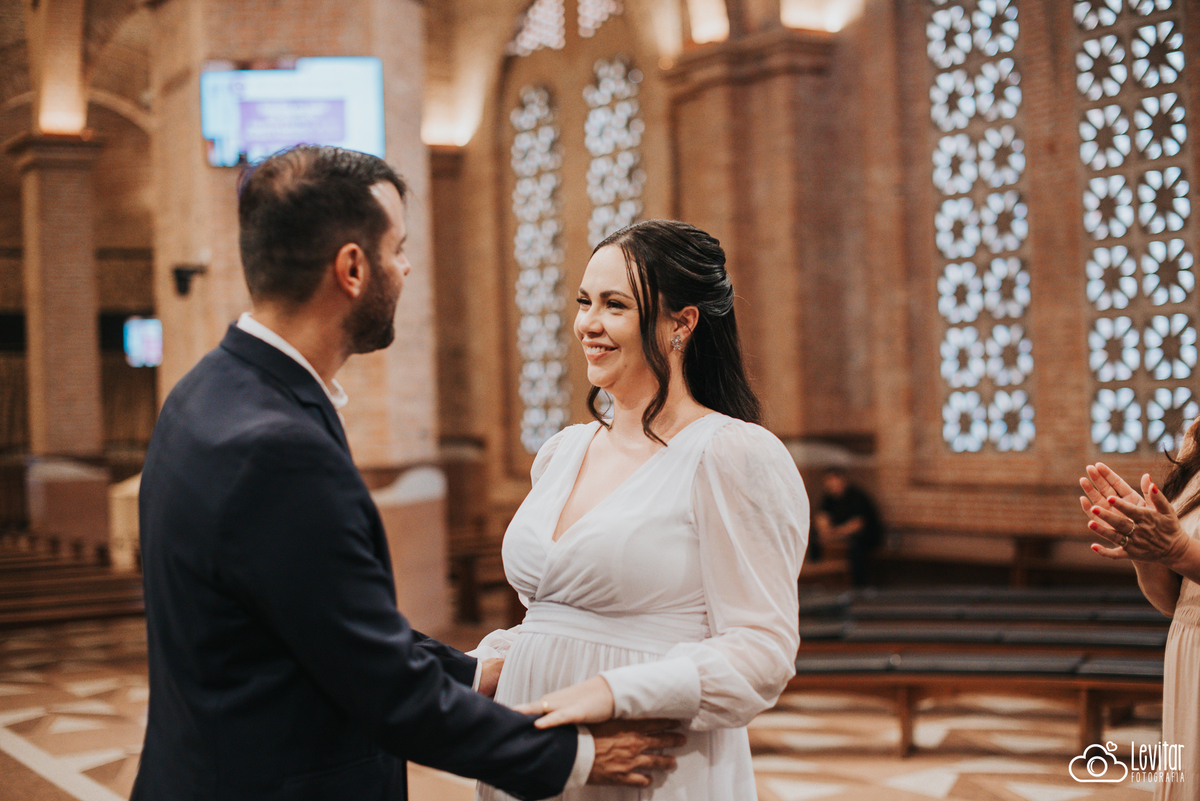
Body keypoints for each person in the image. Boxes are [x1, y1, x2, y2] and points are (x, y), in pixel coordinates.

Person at [132, 145, 682, 801]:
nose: (407, 266)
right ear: (352, 268)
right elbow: (386, 691)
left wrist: (475, 670)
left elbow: (331, 627)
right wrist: (572, 754)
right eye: (398, 248)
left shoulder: (207, 392)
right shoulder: (278, 449)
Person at [472, 219, 809, 800]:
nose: (588, 323)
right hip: (535, 751)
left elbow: (762, 652)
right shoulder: (562, 452)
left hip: (648, 755)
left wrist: (611, 691)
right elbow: (551, 620)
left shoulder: (730, 454)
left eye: (615, 305)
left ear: (682, 323)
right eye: (584, 302)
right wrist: (478, 666)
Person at [1081, 417, 1200, 800]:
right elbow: (1174, 602)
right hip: (1190, 651)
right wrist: (1146, 551)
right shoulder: (1198, 439)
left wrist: (1181, 551)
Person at [813, 467, 883, 587]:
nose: (829, 484)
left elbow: (857, 524)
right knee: (814, 538)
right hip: (840, 536)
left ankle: (858, 586)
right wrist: (824, 530)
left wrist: (835, 532)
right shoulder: (829, 498)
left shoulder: (856, 496)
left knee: (855, 545)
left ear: (842, 479)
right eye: (827, 481)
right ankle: (817, 579)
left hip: (866, 537)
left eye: (831, 480)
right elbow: (821, 517)